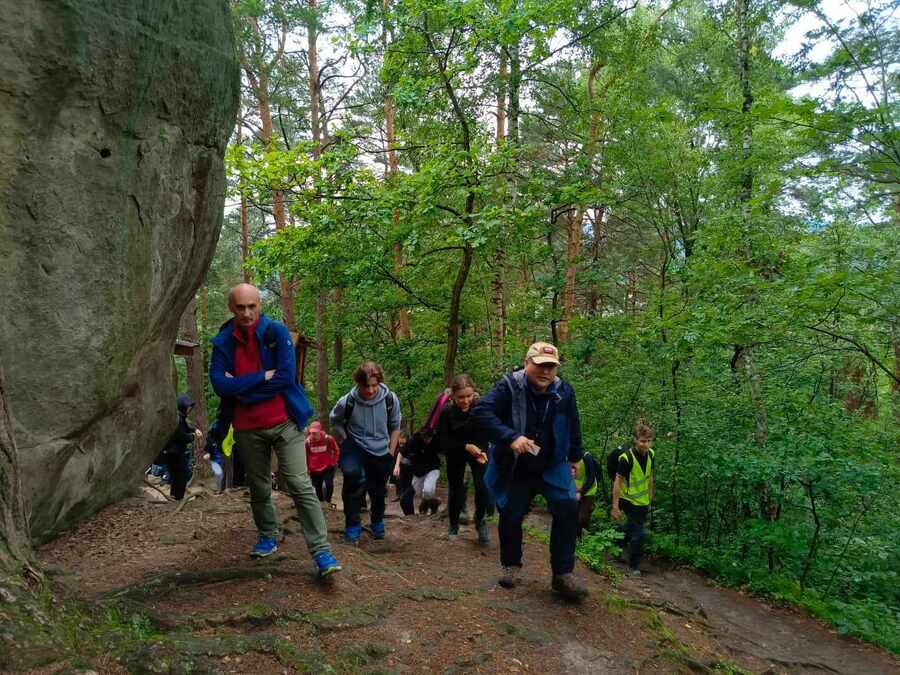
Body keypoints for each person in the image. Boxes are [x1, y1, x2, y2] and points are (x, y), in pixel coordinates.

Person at [209, 283, 341, 578]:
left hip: (285, 423)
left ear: (260, 305)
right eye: (240, 307)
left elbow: (283, 378)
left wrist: (241, 389)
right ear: (232, 307)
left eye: (251, 306)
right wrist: (259, 378)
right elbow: (219, 384)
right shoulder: (222, 341)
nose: (246, 313)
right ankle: (268, 536)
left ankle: (321, 552)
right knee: (258, 486)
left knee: (299, 484)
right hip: (245, 428)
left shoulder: (276, 333)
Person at [474, 342, 588, 602]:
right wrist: (511, 437)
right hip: (516, 466)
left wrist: (575, 456)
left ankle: (562, 574)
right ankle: (511, 566)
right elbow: (481, 412)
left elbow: (573, 422)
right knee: (511, 514)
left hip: (552, 463)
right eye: (540, 365)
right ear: (527, 363)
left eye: (550, 367)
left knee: (568, 508)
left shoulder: (563, 391)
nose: (545, 372)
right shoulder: (509, 387)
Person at [330, 361, 402, 543]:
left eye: (374, 385)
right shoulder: (347, 401)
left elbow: (395, 426)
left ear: (379, 383)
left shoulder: (390, 400)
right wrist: (345, 439)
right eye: (365, 386)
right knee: (353, 479)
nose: (370, 391)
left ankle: (377, 522)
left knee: (378, 490)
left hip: (381, 449)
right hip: (355, 445)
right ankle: (352, 526)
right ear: (358, 383)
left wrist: (391, 453)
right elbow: (335, 421)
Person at [435, 374, 491, 543]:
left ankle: (480, 520)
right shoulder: (446, 412)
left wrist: (483, 449)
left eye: (469, 396)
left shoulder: (481, 408)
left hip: (479, 452)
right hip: (455, 452)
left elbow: (490, 428)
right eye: (461, 397)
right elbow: (442, 441)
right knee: (456, 489)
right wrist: (465, 446)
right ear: (453, 396)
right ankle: (453, 524)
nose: (465, 401)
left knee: (483, 488)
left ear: (474, 393)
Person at [612, 420, 655, 577]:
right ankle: (634, 565)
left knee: (628, 529)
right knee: (640, 534)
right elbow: (618, 482)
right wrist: (615, 507)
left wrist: (650, 499)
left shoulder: (651, 455)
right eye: (643, 441)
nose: (646, 444)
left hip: (642, 503)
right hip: (628, 501)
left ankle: (616, 546)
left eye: (649, 441)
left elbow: (650, 478)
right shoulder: (626, 458)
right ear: (636, 440)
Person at [156, 394, 202, 500]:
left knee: (178, 475)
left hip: (175, 452)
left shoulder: (179, 417)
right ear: (183, 407)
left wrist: (194, 430)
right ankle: (178, 498)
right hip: (174, 453)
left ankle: (175, 497)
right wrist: (193, 436)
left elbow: (187, 428)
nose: (189, 409)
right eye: (187, 407)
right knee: (181, 475)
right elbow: (182, 436)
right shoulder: (177, 419)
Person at [393, 427, 441, 515]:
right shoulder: (414, 441)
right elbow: (401, 452)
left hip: (432, 470)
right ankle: (412, 516)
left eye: (429, 438)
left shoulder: (437, 441)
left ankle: (426, 505)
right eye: (425, 438)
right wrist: (396, 466)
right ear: (421, 436)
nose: (427, 440)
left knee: (428, 490)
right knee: (405, 499)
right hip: (419, 474)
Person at [305, 421, 340, 507]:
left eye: (315, 433)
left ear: (320, 431)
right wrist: (308, 468)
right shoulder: (307, 442)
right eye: (312, 433)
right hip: (314, 469)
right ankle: (321, 503)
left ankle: (328, 501)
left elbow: (336, 450)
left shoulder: (328, 439)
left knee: (329, 484)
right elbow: (306, 456)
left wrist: (333, 462)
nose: (313, 435)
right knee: (317, 487)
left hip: (327, 466)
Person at [573, 451, 599, 539]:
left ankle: (583, 538)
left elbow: (591, 478)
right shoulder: (565, 456)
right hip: (574, 489)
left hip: (589, 490)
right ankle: (578, 537)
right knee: (574, 515)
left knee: (583, 517)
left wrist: (581, 492)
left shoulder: (586, 457)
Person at [202, 419, 226, 492]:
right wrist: (209, 452)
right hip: (216, 456)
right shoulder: (216, 424)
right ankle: (219, 489)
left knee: (222, 473)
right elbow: (209, 438)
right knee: (219, 473)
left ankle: (221, 488)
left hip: (223, 453)